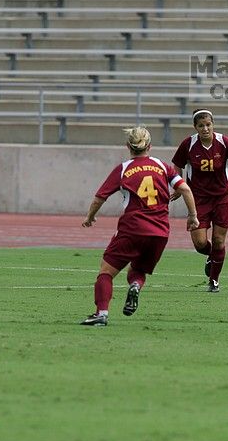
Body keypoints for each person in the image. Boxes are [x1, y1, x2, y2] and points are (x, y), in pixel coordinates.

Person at [80, 126, 199, 326]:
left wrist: (90, 217)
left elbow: (100, 197)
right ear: (150, 146)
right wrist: (193, 216)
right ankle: (135, 285)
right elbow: (185, 189)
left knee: (106, 272)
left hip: (132, 228)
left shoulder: (124, 168)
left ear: (128, 146)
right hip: (160, 232)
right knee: (138, 270)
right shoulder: (162, 166)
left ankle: (101, 313)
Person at [171, 109, 228, 293]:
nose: (205, 129)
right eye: (201, 126)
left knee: (219, 241)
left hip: (222, 198)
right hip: (198, 199)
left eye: (208, 124)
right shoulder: (188, 144)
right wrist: (179, 187)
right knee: (199, 243)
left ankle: (214, 280)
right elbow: (177, 165)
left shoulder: (224, 142)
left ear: (213, 124)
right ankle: (211, 256)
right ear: (195, 127)